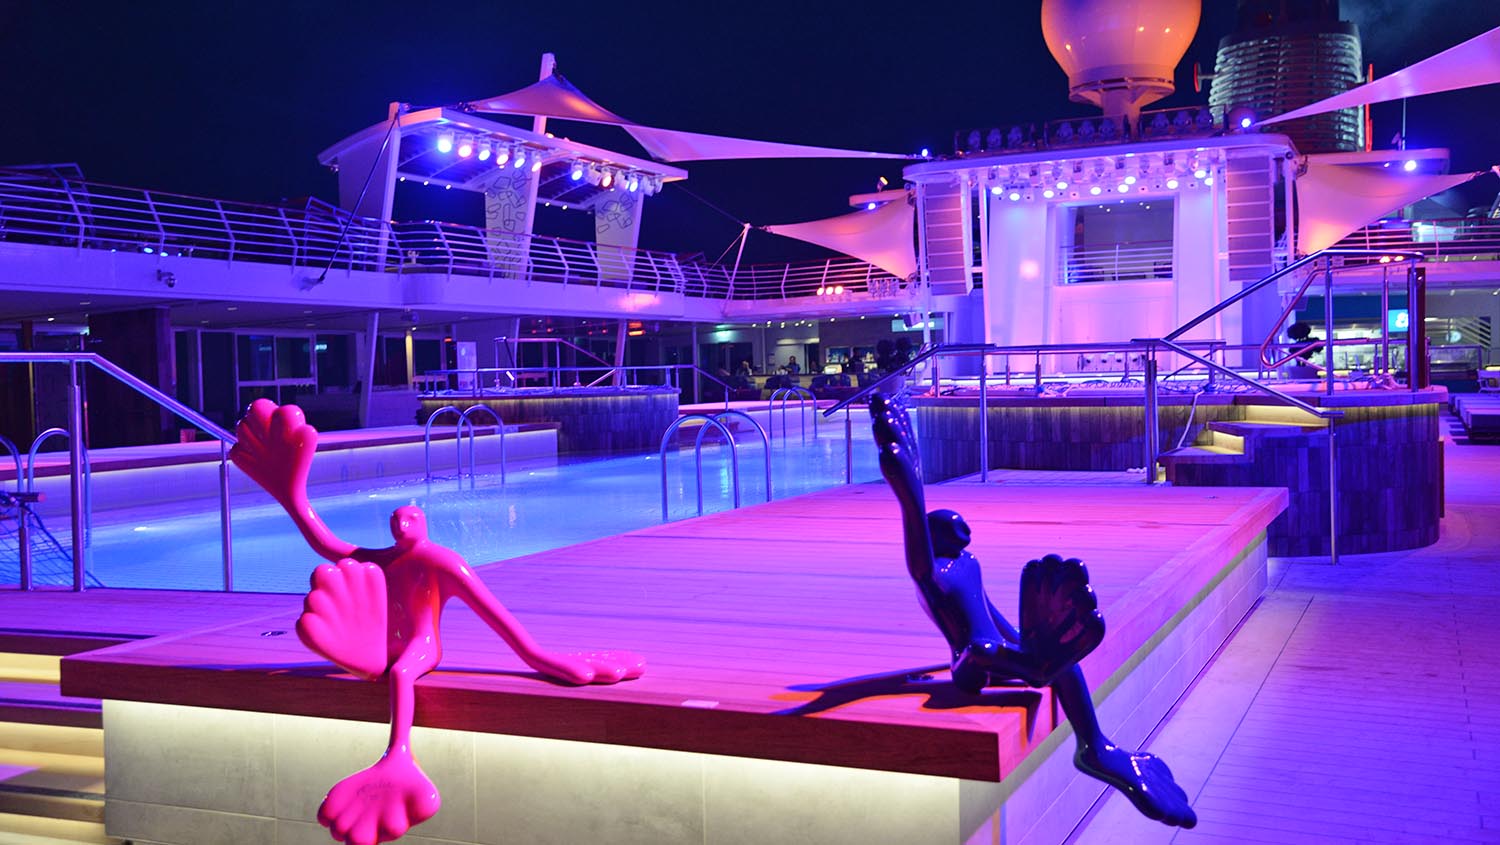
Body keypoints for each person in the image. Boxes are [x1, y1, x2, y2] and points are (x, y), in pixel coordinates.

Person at [231, 400, 644, 845]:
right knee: (381, 651)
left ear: (423, 524)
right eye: (396, 520)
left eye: (410, 518)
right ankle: (392, 748)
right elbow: (327, 544)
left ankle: (398, 753)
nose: (401, 525)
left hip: (420, 646)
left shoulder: (442, 562)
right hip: (380, 646)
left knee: (402, 673)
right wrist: (294, 498)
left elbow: (492, 612)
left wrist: (538, 656)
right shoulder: (386, 559)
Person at [869, 393, 1197, 829]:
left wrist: (1025, 643)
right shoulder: (932, 574)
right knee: (996, 650)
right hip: (971, 663)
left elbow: (988, 611)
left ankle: (1094, 746)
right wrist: (908, 492)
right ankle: (1040, 672)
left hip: (998, 650)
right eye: (951, 524)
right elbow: (918, 534)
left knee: (1057, 655)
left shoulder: (968, 564)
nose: (962, 529)